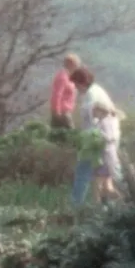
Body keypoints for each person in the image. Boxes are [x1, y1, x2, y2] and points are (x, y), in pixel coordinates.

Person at [71, 65, 124, 203]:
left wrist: (83, 140)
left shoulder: (91, 95)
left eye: (76, 84)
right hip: (107, 143)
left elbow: (90, 121)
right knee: (106, 182)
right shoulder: (97, 91)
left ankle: (77, 205)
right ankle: (115, 207)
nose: (76, 88)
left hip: (96, 144)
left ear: (81, 82)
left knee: (85, 174)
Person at [48, 53, 82, 132]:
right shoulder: (62, 76)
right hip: (62, 112)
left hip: (66, 111)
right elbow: (57, 94)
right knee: (72, 134)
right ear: (70, 64)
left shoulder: (69, 77)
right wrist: (57, 111)